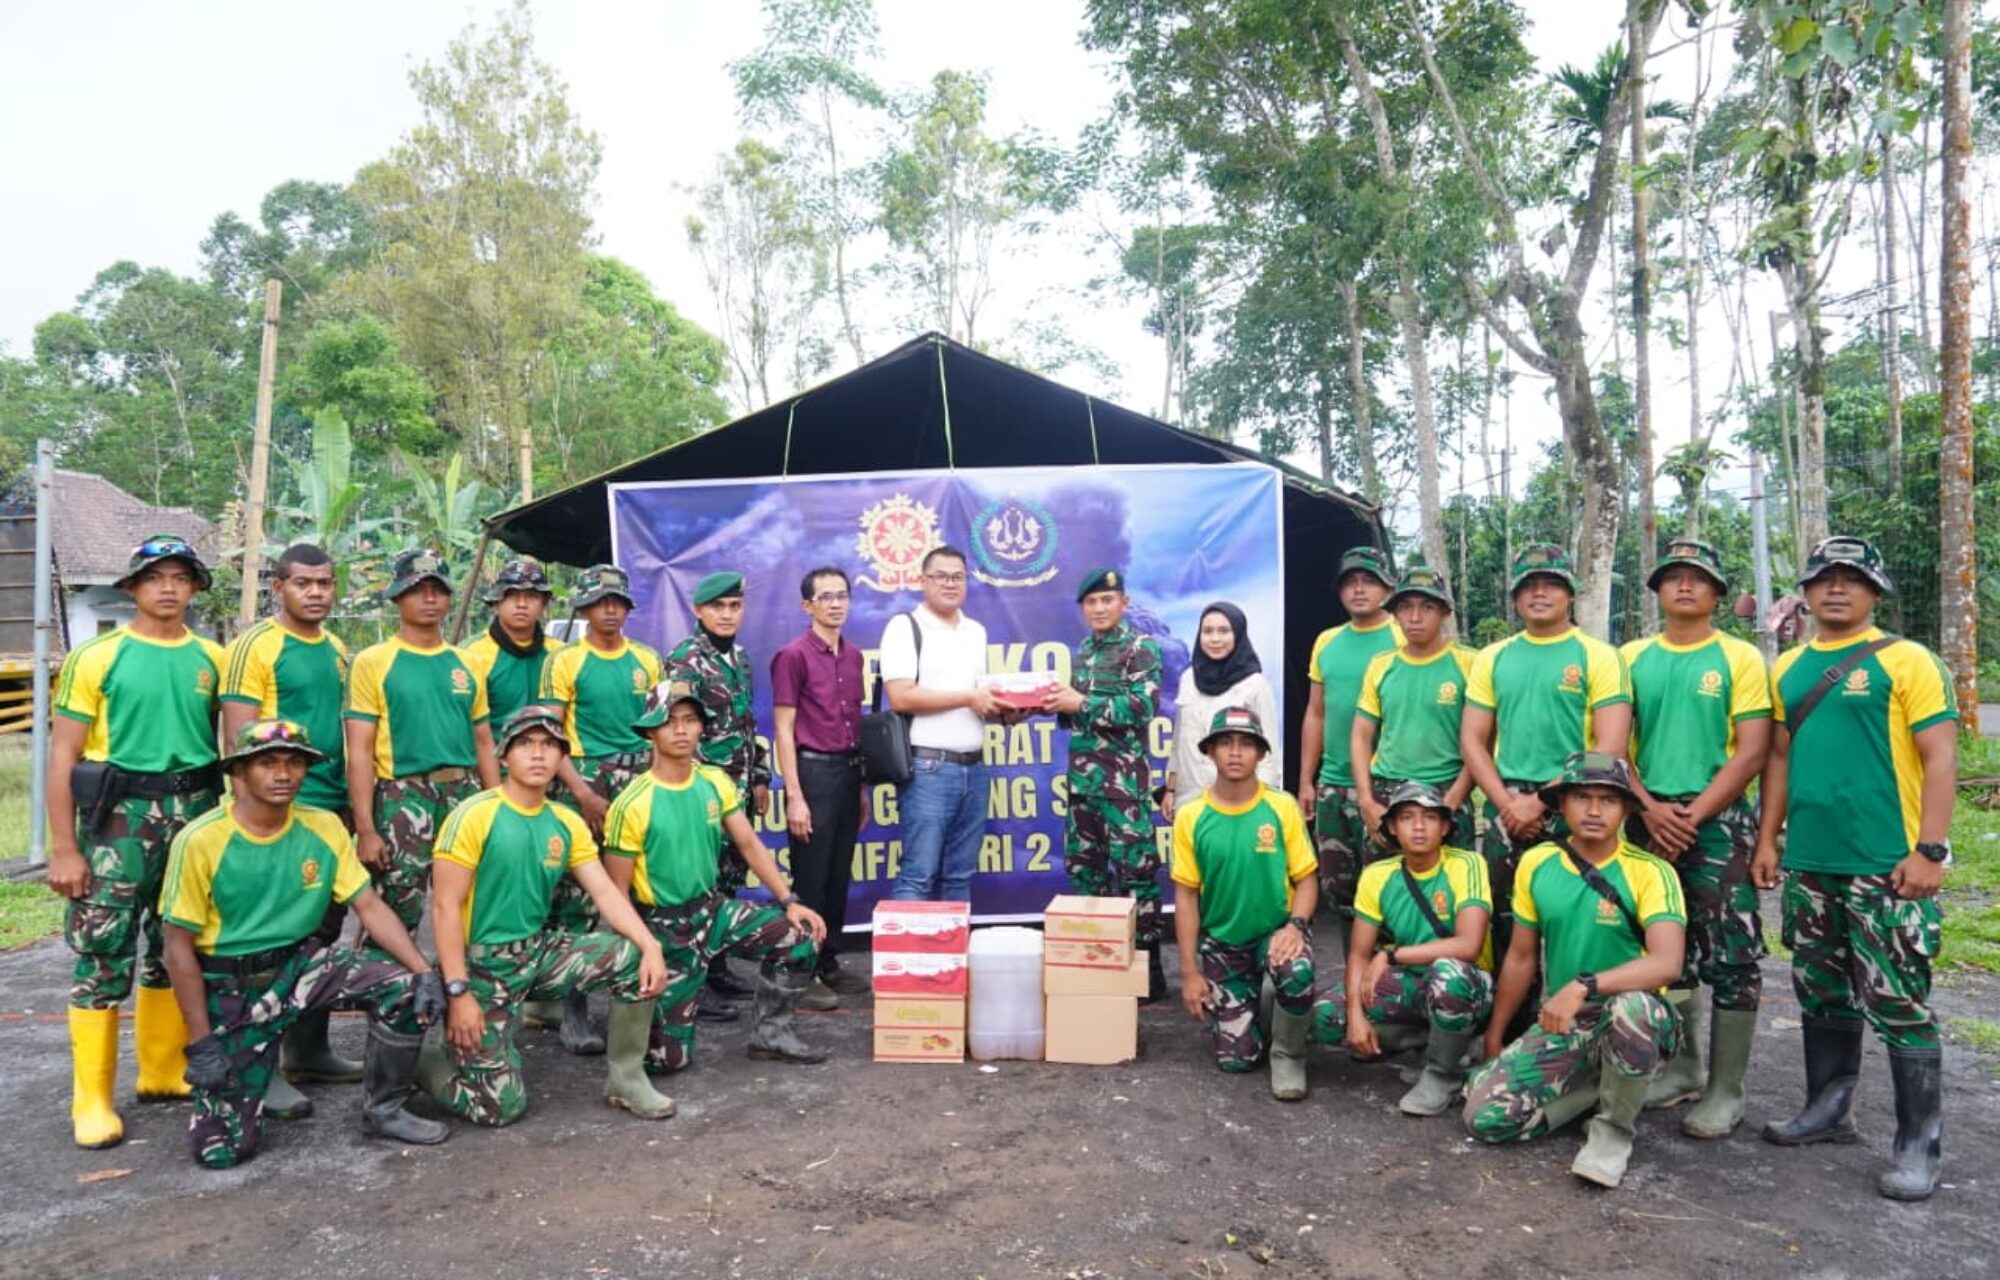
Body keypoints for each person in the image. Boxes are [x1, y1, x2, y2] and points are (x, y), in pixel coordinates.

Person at [1752, 536, 1958, 1201]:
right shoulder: (1789, 668)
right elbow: (1778, 759)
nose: (1836, 589)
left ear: (1875, 591)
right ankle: (1826, 1109)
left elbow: (1940, 757)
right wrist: (1769, 839)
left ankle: (1917, 1145)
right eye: (1824, 579)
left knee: (1898, 999)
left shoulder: (1908, 661)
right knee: (1821, 988)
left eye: (1851, 579)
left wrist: (1930, 850)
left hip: (1887, 865)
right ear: (1806, 593)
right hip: (1813, 861)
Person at [159, 719, 449, 1167]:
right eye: (267, 763)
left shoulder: (323, 827)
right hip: (233, 986)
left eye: (295, 762)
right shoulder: (200, 841)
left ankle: (385, 1107)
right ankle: (249, 1075)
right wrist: (201, 1043)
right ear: (239, 772)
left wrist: (422, 970)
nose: (283, 774)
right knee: (222, 1153)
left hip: (301, 968)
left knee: (406, 986)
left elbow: (368, 905)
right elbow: (177, 948)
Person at [47, 534, 224, 1148]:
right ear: (133, 589)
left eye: (180, 577)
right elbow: (63, 755)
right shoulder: (97, 658)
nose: (168, 587)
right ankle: (91, 1098)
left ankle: (161, 1069)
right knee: (104, 951)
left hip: (195, 811)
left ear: (195, 587)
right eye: (155, 578)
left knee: (176, 941)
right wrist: (65, 849)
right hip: (119, 819)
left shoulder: (212, 657)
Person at [419, 706, 675, 1127]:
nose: (538, 755)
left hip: (537, 952)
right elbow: (444, 908)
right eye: (525, 744)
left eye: (549, 746)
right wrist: (459, 991)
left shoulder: (565, 821)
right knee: (500, 1109)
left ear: (561, 758)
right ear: (504, 755)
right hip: (481, 967)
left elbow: (606, 892)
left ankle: (627, 1078)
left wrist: (650, 945)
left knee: (632, 958)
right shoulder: (473, 815)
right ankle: (420, 1061)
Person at [1463, 752, 1686, 1191]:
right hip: (1566, 1022)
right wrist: (1496, 1034)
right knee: (1484, 1114)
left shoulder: (1651, 872)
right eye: (1582, 797)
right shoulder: (1539, 863)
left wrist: (1586, 985)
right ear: (1561, 804)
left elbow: (1667, 963)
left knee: (1632, 1009)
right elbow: (1522, 957)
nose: (1595, 810)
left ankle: (1613, 1133)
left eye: (1609, 800)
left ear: (1626, 810)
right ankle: (1598, 1093)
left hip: (1637, 1017)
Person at [1619, 538, 1772, 1138]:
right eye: (1672, 577)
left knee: (1733, 952)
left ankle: (1727, 1089)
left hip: (1719, 822)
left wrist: (1690, 815)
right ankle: (1682, 1067)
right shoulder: (1629, 657)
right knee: (1663, 944)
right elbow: (1613, 742)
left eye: (1697, 578)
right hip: (1644, 815)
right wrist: (1650, 807)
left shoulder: (1739, 658)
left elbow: (1753, 748)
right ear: (1657, 590)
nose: (1684, 586)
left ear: (1716, 593)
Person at [605, 682, 830, 1086]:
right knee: (668, 1062)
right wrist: (644, 947)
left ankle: (771, 1035)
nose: (680, 730)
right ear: (650, 731)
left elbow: (748, 843)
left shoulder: (713, 781)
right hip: (664, 928)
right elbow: (616, 893)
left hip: (714, 911)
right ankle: (651, 1023)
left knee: (801, 934)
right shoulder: (632, 803)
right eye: (669, 721)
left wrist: (790, 900)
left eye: (690, 721)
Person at [219, 543, 360, 1121]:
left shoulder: (338, 649)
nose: (316, 593)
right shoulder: (255, 646)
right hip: (278, 811)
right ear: (278, 587)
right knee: (268, 941)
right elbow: (239, 739)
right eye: (303, 583)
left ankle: (309, 1049)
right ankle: (261, 1065)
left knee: (318, 934)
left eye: (325, 583)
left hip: (331, 810)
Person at [1460, 543, 1630, 957]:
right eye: (1529, 586)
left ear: (1570, 593)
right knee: (1505, 923)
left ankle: (1578, 1015)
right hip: (1506, 808)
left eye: (1551, 584)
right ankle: (1513, 1021)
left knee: (1580, 917)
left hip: (1578, 802)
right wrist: (1506, 804)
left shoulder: (1600, 656)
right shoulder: (1493, 657)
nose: (1539, 593)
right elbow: (1472, 738)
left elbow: (1610, 745)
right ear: (1516, 596)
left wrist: (1541, 802)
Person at [535, 564, 662, 1053]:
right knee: (580, 898)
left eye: (618, 602)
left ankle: (645, 1001)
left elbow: (657, 726)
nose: (610, 611)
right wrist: (583, 795)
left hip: (637, 776)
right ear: (584, 608)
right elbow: (550, 738)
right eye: (600, 602)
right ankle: (575, 1011)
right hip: (584, 778)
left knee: (643, 887)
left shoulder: (646, 659)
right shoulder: (565, 661)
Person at [1312, 782, 1493, 1117]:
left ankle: (1443, 1074)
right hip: (1412, 983)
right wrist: (1355, 1015)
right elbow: (1358, 954)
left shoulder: (1467, 864)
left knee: (1447, 973)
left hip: (1467, 986)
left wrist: (1392, 955)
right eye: (1407, 817)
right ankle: (1432, 1044)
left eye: (1429, 817)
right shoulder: (1378, 875)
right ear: (1393, 827)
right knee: (1325, 1016)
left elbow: (1468, 945)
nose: (1419, 826)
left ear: (1445, 826)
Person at [345, 548, 500, 936]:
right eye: (418, 589)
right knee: (400, 905)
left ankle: (461, 986)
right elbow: (360, 750)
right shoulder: (373, 661)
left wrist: (499, 808)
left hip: (463, 792)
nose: (429, 599)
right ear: (398, 596)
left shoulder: (468, 664)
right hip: (403, 796)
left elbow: (483, 742)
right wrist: (365, 828)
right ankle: (389, 990)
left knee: (471, 900)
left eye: (438, 590)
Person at [1171, 706, 1319, 1100]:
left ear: (1261, 753)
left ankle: (1289, 1053)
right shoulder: (1191, 816)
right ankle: (1262, 1005)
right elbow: (1185, 897)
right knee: (1237, 1060)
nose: (1236, 753)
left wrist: (1295, 926)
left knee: (1297, 972)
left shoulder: (1281, 807)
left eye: (1246, 744)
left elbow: (1306, 880)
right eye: (1226, 743)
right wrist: (1188, 972)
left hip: (1275, 933)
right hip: (1223, 946)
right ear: (1210, 752)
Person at [1047, 567, 1167, 999]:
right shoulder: (1083, 651)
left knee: (1137, 874)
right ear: (1083, 608)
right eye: (1091, 602)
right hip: (1083, 785)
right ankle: (1095, 961)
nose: (1099, 608)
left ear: (1123, 604)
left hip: (1123, 787)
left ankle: (1148, 968)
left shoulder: (1141, 648)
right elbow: (1077, 712)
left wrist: (1081, 701)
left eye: (1107, 600)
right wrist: (1042, 703)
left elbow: (1142, 706)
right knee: (1085, 873)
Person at [664, 570, 772, 1019]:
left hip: (740, 791)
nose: (727, 615)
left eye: (734, 607)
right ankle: (694, 980)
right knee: (700, 885)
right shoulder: (685, 662)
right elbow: (674, 732)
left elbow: (747, 723)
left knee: (728, 880)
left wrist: (761, 775)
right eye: (718, 608)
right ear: (699, 611)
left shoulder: (740, 659)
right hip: (703, 796)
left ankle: (718, 966)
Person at [770, 566, 870, 1010]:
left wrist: (862, 786)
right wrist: (794, 794)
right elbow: (784, 729)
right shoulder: (793, 655)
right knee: (810, 876)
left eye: (842, 595)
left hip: (848, 774)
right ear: (807, 605)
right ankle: (799, 971)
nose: (836, 603)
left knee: (837, 874)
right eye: (825, 596)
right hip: (812, 775)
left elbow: (856, 725)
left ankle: (828, 962)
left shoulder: (854, 657)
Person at [881, 546, 1001, 903]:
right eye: (941, 576)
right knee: (918, 874)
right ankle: (907, 960)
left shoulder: (976, 631)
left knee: (960, 876)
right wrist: (968, 697)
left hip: (975, 767)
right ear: (923, 581)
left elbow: (980, 699)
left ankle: (952, 960)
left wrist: (1012, 710)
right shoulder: (905, 627)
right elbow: (901, 697)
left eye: (958, 576)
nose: (950, 583)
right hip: (928, 769)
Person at [1297, 546, 1403, 933]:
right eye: (1350, 582)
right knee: (1339, 891)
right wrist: (1307, 780)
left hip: (1385, 786)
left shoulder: (1401, 636)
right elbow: (1316, 713)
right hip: (1333, 784)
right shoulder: (1327, 641)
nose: (1359, 590)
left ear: (1388, 589)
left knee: (1388, 890)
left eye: (1369, 581)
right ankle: (1351, 982)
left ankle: (1388, 985)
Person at [1351, 561, 1479, 851]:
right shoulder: (1381, 665)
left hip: (1446, 786)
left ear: (1445, 612)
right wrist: (1367, 800)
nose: (1415, 617)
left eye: (1427, 607)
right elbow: (1361, 735)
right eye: (1406, 607)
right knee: (1385, 883)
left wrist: (1455, 797)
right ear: (1395, 614)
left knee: (1452, 887)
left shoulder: (1470, 663)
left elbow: (1484, 740)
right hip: (1389, 791)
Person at [1164, 602, 1280, 815]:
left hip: (1238, 805)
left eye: (1224, 631)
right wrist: (1171, 789)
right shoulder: (1189, 678)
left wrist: (1258, 806)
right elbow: (1178, 742)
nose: (1215, 639)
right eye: (1207, 631)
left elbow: (1269, 756)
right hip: (1189, 802)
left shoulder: (1255, 685)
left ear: (1238, 634)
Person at [461, 557, 560, 727]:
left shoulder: (560, 654)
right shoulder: (470, 655)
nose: (522, 604)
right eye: (512, 595)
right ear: (496, 603)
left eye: (531, 596)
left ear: (544, 604)